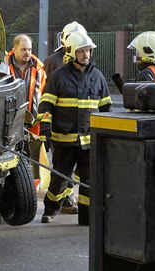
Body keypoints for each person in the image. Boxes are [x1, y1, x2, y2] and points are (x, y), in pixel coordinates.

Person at [38, 31, 112, 225]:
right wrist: (45, 132)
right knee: (60, 178)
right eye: (81, 51)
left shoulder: (98, 77)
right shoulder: (57, 77)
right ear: (71, 52)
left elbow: (106, 109)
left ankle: (86, 217)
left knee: (88, 180)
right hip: (64, 140)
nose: (86, 54)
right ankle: (51, 209)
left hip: (89, 141)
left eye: (88, 50)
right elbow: (45, 107)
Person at [0, 34, 46, 225]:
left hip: (31, 125)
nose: (28, 53)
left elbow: (43, 95)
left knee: (26, 168)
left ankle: (22, 203)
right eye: (24, 49)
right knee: (1, 167)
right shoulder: (2, 67)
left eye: (30, 49)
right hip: (5, 126)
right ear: (14, 50)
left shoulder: (39, 69)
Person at [41, 21, 88, 215]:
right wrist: (46, 126)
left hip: (83, 133)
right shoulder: (54, 62)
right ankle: (57, 203)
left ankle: (69, 199)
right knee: (62, 171)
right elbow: (48, 96)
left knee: (80, 173)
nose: (85, 54)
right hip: (63, 130)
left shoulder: (88, 67)